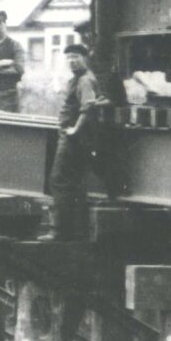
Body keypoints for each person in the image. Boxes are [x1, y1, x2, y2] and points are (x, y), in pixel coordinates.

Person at [49, 42, 105, 240]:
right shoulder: (78, 79)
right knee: (75, 184)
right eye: (69, 57)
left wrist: (75, 129)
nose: (72, 61)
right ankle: (76, 231)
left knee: (60, 180)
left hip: (73, 139)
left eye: (76, 57)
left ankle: (59, 231)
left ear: (85, 58)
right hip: (76, 139)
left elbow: (88, 107)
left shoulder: (84, 81)